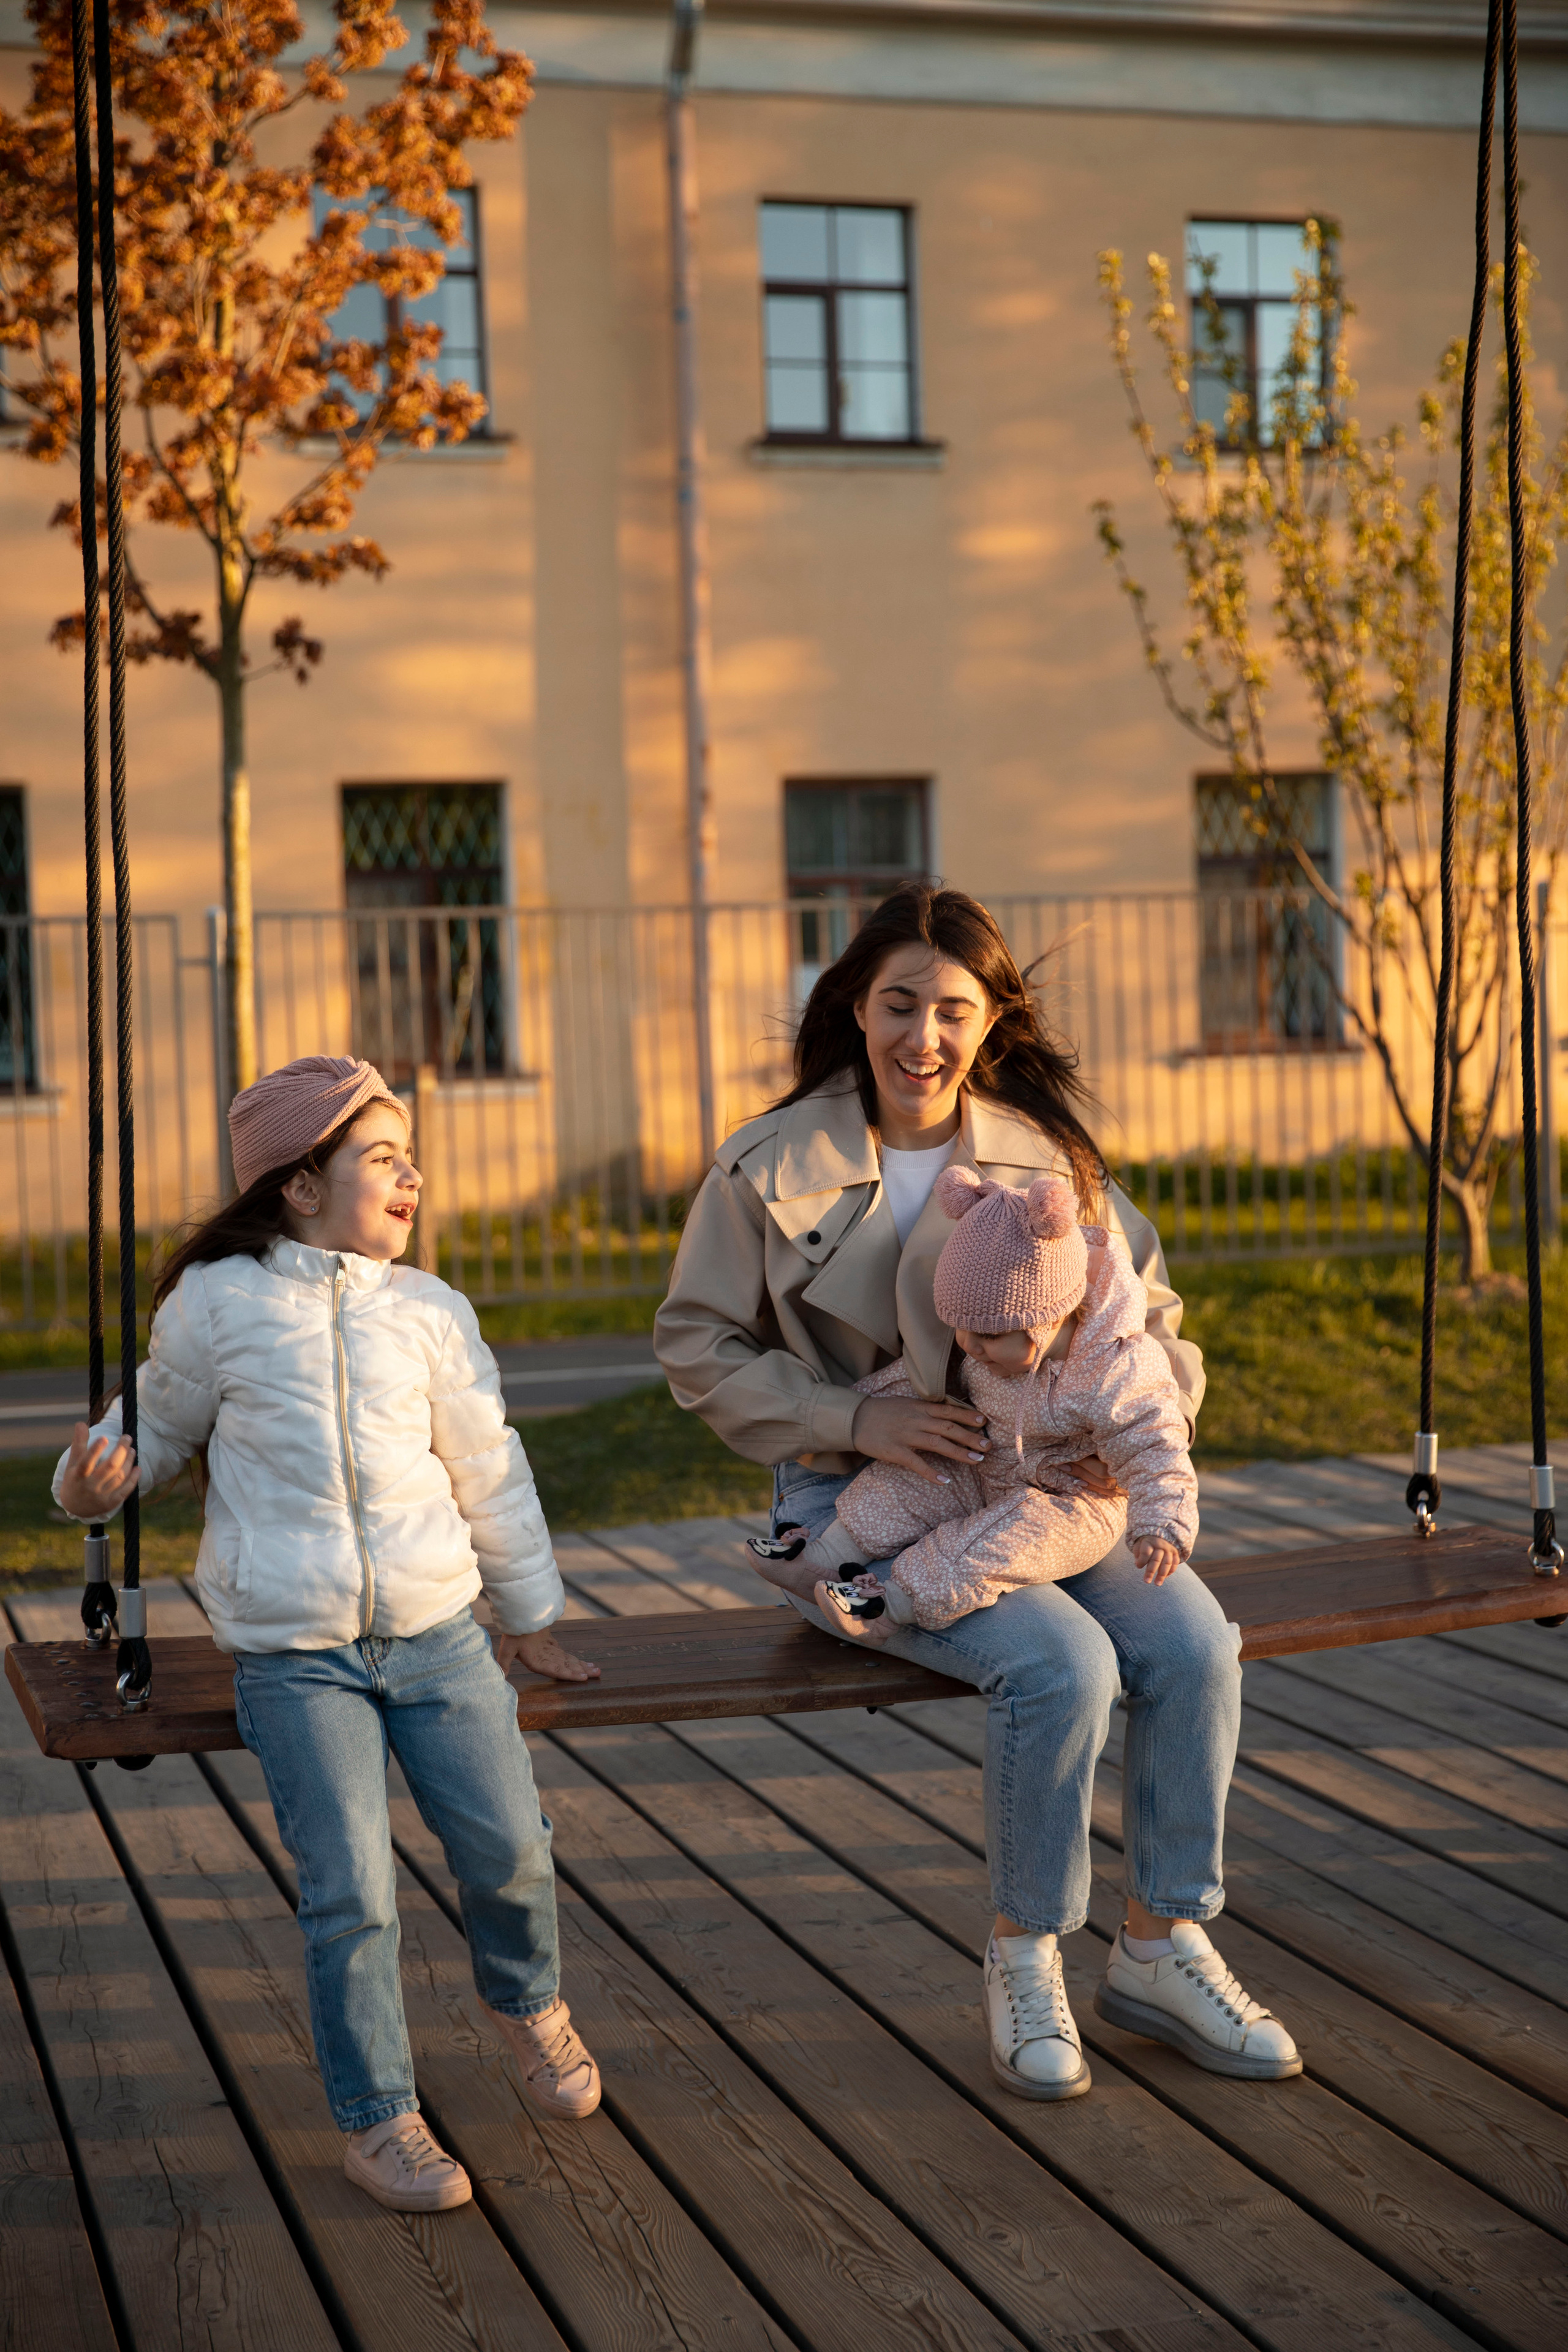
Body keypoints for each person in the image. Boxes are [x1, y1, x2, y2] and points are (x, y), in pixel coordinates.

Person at [656, 884, 1300, 2100]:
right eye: (899, 1004)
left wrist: (1118, 1430)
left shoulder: (1045, 1162)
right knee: (1064, 1665)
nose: (924, 1037)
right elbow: (694, 1344)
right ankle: (1026, 1956)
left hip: (1046, 1484)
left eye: (952, 1009)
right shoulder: (766, 1165)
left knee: (1194, 1645)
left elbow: (1151, 1321)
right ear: (855, 1006)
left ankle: (1160, 1947)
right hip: (855, 1506)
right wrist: (854, 1418)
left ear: (991, 1019)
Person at [55, 1055, 603, 2212]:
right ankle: (379, 2117)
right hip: (295, 1655)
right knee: (351, 1887)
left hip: (439, 1636)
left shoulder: (431, 1312)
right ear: (301, 1187)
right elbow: (152, 1427)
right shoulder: (221, 1305)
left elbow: (489, 1469)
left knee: (511, 1844)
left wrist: (531, 1615)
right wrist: (90, 1482)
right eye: (383, 1157)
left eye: (411, 1158)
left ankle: (527, 2003)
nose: (413, 1177)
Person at [758, 1166, 1197, 1643]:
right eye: (959, 1328)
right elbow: (916, 1379)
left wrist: (1160, 1523)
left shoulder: (1117, 1367)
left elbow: (1155, 1445)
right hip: (988, 1463)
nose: (969, 1345)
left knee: (1001, 1543)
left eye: (987, 1335)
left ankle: (892, 1604)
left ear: (1048, 1319)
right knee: (911, 1480)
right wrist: (855, 1410)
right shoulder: (985, 1345)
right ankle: (820, 1557)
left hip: (1071, 1497)